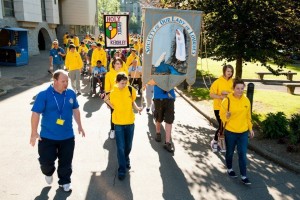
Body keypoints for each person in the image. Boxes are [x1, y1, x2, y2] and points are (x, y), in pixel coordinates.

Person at [30, 70, 85, 192]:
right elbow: (35, 113)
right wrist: (34, 132)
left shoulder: (71, 94)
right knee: (46, 161)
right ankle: (48, 172)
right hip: (47, 136)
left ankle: (65, 181)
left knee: (66, 161)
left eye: (67, 81)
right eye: (63, 81)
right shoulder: (43, 95)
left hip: (67, 136)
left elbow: (76, 110)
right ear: (55, 81)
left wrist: (80, 125)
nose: (66, 84)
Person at [220, 79, 255, 185]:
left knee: (242, 154)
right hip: (230, 132)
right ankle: (230, 168)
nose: (240, 91)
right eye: (237, 88)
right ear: (233, 89)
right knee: (230, 152)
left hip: (243, 132)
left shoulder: (246, 100)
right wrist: (226, 116)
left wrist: (250, 128)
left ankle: (244, 176)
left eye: (242, 88)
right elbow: (222, 117)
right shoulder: (227, 101)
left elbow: (248, 116)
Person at [110, 72, 142, 180]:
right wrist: (106, 100)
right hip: (118, 123)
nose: (124, 85)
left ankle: (126, 158)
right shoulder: (113, 92)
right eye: (122, 83)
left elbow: (133, 102)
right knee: (120, 147)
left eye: (125, 82)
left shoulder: (130, 89)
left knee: (128, 146)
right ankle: (122, 169)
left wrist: (138, 108)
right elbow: (112, 106)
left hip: (129, 122)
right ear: (117, 82)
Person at [209, 65, 234, 152]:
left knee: (226, 126)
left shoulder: (232, 82)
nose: (229, 73)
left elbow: (234, 94)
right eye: (228, 71)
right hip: (218, 107)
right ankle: (214, 141)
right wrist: (220, 96)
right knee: (221, 126)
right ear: (224, 71)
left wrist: (228, 93)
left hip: (229, 108)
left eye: (231, 71)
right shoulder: (217, 82)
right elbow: (211, 94)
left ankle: (222, 143)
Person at [103, 58, 125, 139]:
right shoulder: (108, 74)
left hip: (123, 98)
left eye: (120, 64)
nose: (119, 65)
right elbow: (107, 89)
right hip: (113, 99)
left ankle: (121, 130)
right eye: (117, 63)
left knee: (122, 114)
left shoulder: (124, 73)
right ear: (113, 64)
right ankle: (112, 130)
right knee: (113, 114)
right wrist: (107, 102)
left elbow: (127, 86)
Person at [153, 85, 176, 152]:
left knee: (169, 119)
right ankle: (158, 133)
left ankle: (167, 142)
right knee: (159, 117)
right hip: (158, 96)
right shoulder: (155, 73)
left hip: (170, 97)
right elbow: (150, 80)